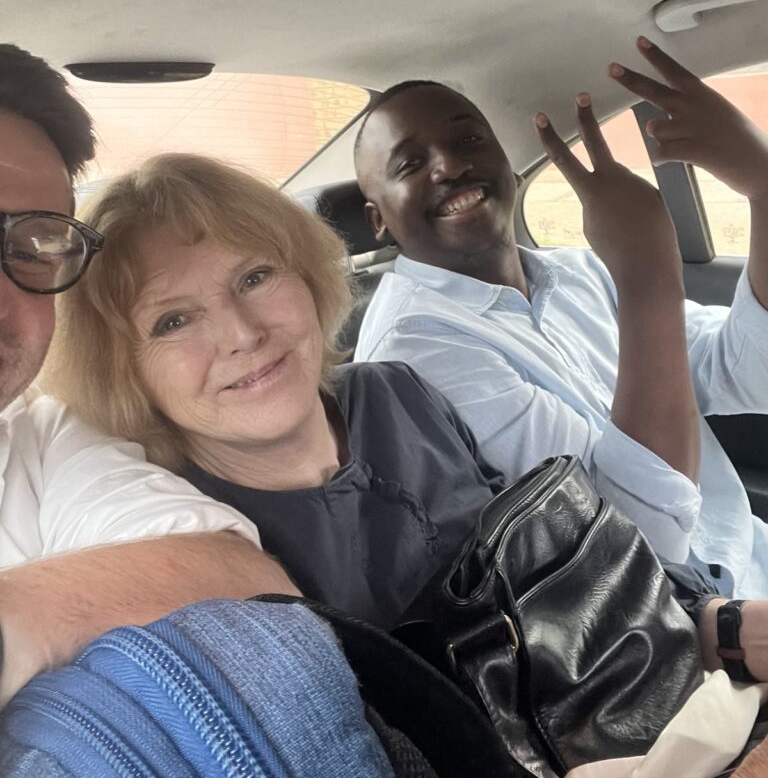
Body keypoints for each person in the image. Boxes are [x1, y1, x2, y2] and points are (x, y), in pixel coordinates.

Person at [40, 147, 768, 684]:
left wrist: (716, 625)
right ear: (122, 365)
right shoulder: (175, 524)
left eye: (255, 277)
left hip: (629, 697)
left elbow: (557, 561)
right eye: (173, 322)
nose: (240, 332)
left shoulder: (395, 393)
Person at [352, 37, 768, 601]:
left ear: (507, 163)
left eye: (469, 139)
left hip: (748, 557)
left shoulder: (575, 271)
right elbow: (637, 541)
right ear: (378, 219)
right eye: (410, 163)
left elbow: (744, 373)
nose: (449, 165)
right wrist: (649, 280)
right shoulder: (412, 350)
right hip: (669, 629)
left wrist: (764, 190)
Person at [0, 43, 297, 705]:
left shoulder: (45, 445)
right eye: (172, 321)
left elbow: (246, 580)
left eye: (31, 249)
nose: (242, 336)